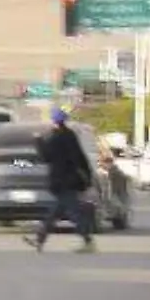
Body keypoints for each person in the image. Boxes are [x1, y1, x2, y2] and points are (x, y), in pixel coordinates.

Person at [26, 108, 97, 254]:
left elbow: (46, 156)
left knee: (74, 213)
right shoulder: (70, 135)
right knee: (55, 212)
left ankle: (88, 242)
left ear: (54, 121)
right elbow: (81, 157)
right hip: (72, 180)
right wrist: (88, 177)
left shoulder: (56, 138)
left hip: (63, 181)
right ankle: (39, 239)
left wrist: (38, 140)